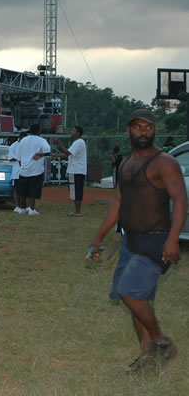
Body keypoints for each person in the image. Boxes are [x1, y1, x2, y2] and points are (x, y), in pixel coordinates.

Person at [87, 109, 187, 373]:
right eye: (137, 127)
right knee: (135, 300)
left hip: (157, 239)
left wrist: (173, 239)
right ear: (129, 130)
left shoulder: (164, 162)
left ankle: (162, 342)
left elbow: (180, 200)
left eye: (148, 127)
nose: (143, 132)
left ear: (154, 130)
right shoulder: (126, 164)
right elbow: (118, 202)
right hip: (130, 241)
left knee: (129, 292)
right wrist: (98, 237)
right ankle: (149, 359)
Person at [15, 123, 51, 216]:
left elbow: (18, 156)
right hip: (36, 170)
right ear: (38, 131)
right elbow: (47, 150)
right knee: (33, 191)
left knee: (23, 191)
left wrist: (22, 165)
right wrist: (40, 155)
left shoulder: (23, 140)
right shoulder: (41, 140)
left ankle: (21, 208)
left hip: (24, 169)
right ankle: (31, 209)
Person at [52, 125, 88, 216]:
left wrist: (59, 143)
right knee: (77, 190)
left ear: (78, 133)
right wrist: (58, 155)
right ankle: (77, 211)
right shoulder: (79, 142)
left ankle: (77, 211)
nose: (71, 132)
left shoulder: (78, 142)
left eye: (73, 131)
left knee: (75, 190)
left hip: (75, 170)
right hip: (79, 170)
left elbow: (68, 153)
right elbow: (67, 154)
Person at [8, 131, 27, 214]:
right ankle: (17, 206)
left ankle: (24, 206)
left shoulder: (27, 146)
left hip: (26, 171)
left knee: (24, 189)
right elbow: (11, 158)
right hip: (16, 171)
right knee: (16, 189)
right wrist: (19, 159)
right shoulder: (14, 146)